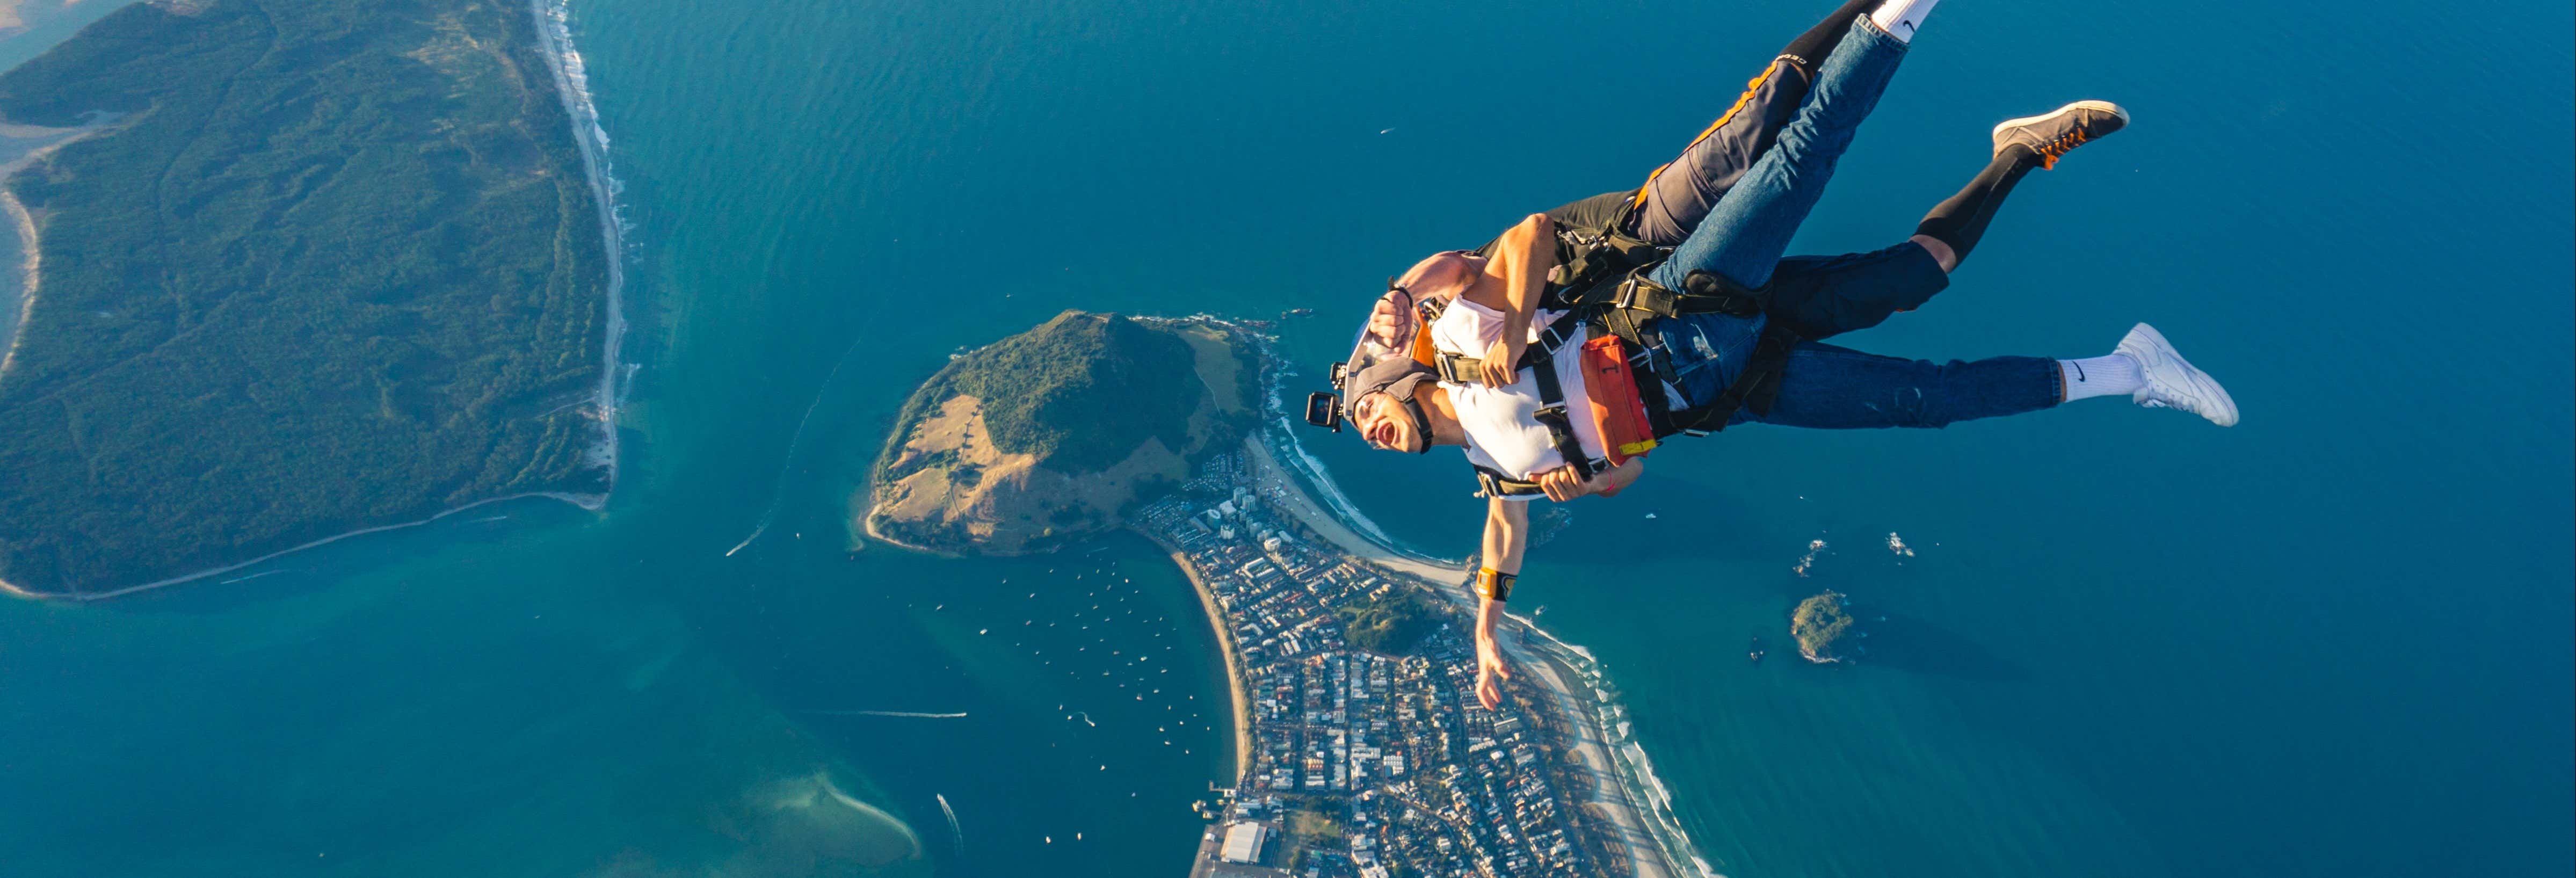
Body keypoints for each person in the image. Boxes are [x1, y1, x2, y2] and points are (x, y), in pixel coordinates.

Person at [1319, 0, 2240, 709]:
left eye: (1362, 410)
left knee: (1793, 156)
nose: (1368, 430)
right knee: (1921, 336)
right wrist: (1495, 618)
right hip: (1735, 385)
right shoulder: (1497, 474)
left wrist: (1501, 327)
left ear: (1390, 379)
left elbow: (1518, 244)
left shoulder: (1460, 347)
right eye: (1363, 435)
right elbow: (1528, 523)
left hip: (1682, 304)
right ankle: (2123, 355)